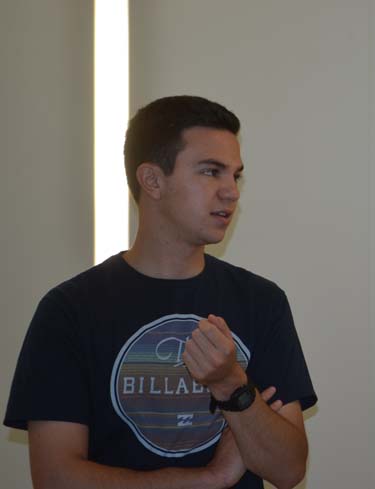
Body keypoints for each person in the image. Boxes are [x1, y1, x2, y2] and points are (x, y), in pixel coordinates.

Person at [4, 95, 317, 489]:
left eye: (234, 175)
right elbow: (55, 478)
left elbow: (288, 471)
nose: (231, 192)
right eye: (210, 171)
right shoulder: (69, 310)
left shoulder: (262, 302)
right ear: (152, 180)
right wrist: (209, 479)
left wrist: (232, 385)